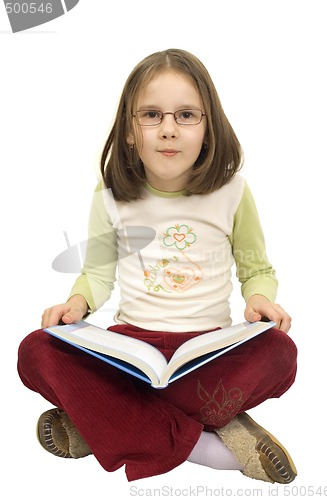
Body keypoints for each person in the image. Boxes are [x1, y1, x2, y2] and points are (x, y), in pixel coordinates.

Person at [18, 48, 297, 484]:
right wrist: (77, 303)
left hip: (207, 352)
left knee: (281, 354)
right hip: (132, 352)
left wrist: (260, 299)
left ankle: (100, 423)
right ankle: (208, 446)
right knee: (36, 352)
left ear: (208, 127)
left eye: (186, 115)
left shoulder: (231, 191)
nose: (168, 130)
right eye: (151, 115)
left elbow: (255, 268)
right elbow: (97, 273)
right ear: (130, 131)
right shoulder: (111, 194)